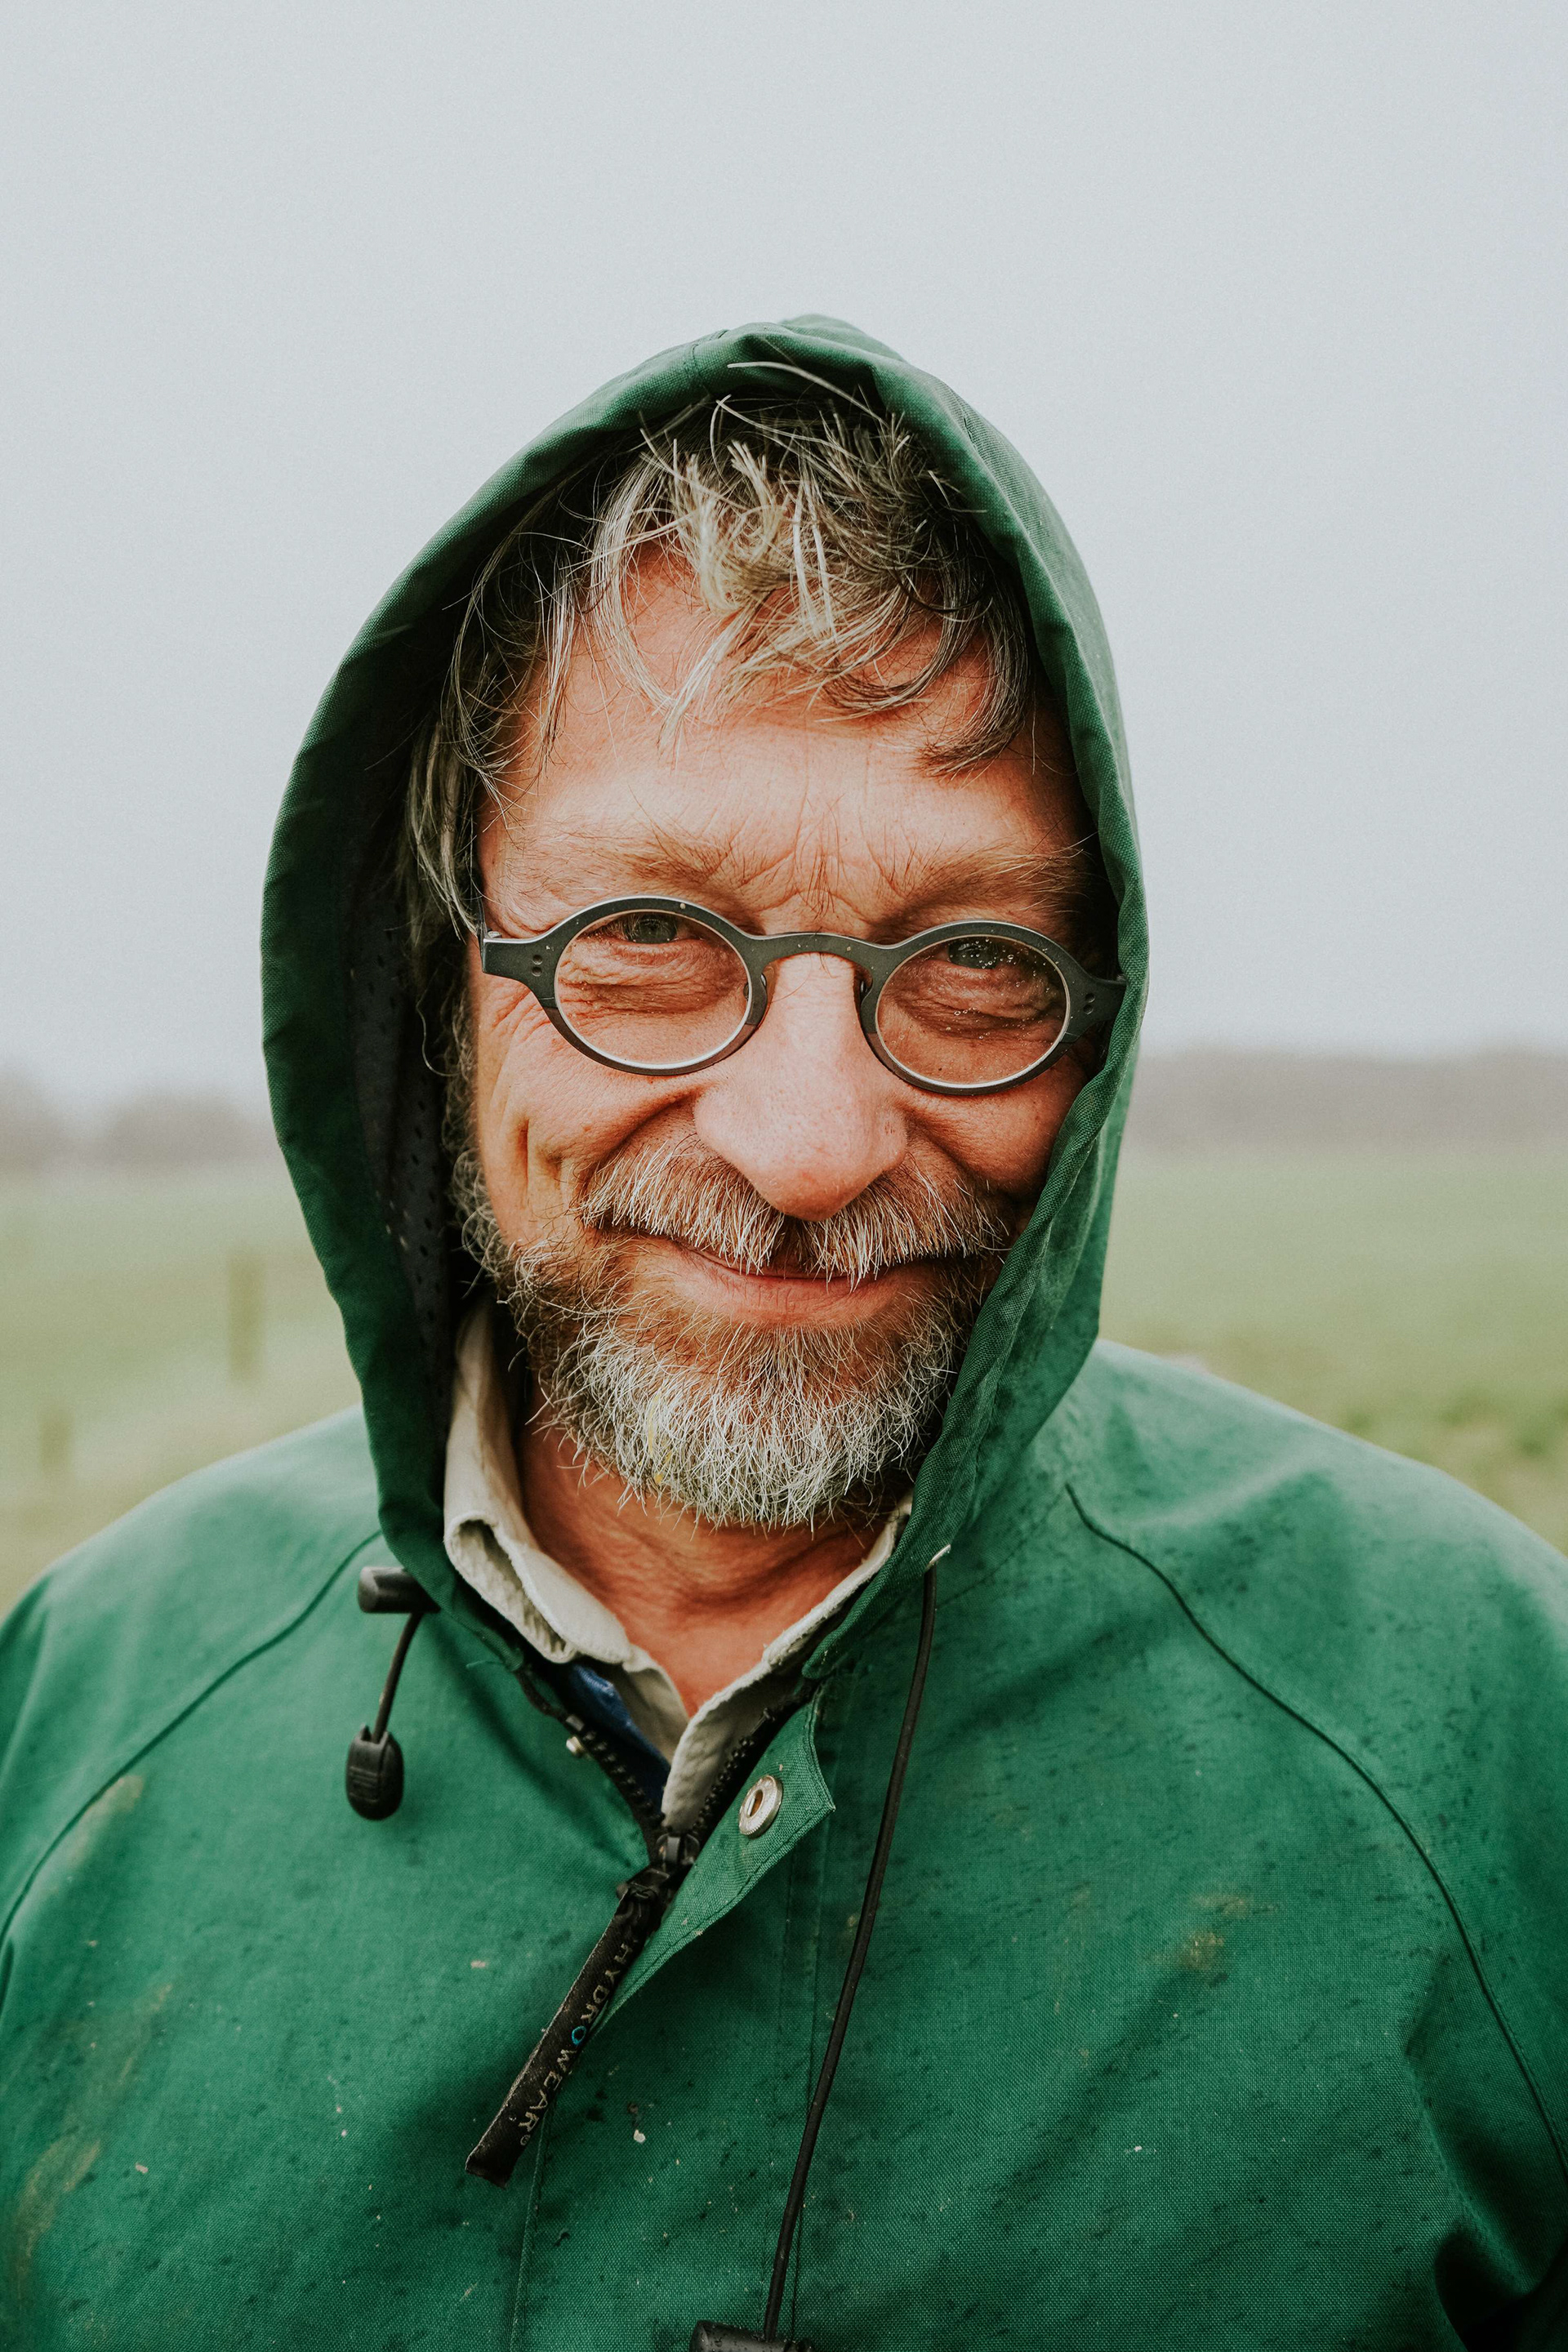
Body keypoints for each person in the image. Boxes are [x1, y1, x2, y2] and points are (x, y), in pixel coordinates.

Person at [2, 317, 1565, 2352]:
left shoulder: (1489, 1744)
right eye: (647, 936)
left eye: (975, 962)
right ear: (440, 971)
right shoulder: (78, 1723)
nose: (810, 1143)